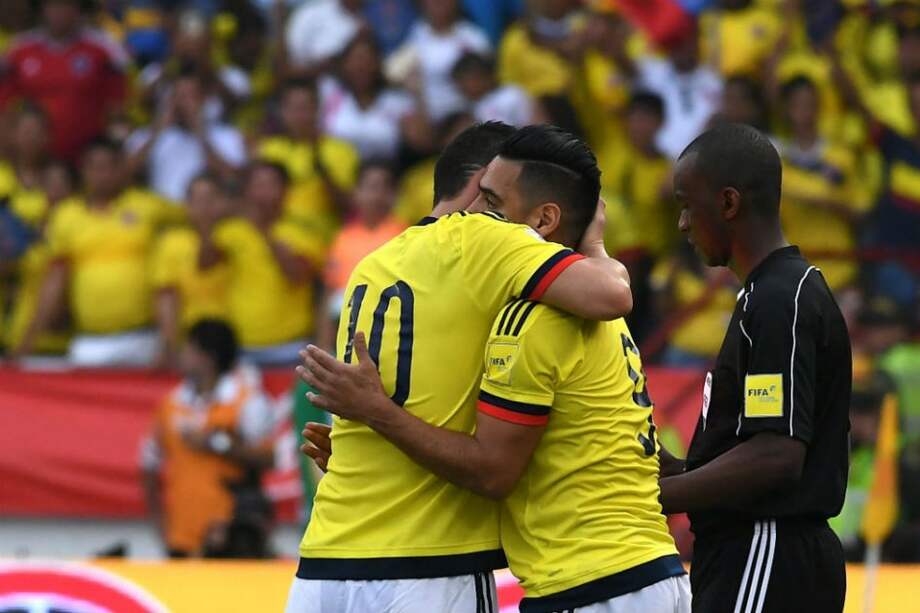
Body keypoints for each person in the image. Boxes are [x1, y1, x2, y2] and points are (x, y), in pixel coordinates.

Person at [298, 128, 690, 611]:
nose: (482, 213)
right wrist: (595, 246)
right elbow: (613, 295)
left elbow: (492, 467)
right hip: (448, 566)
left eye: (493, 201)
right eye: (484, 197)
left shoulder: (371, 264)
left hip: (327, 558)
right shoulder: (518, 275)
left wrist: (372, 435)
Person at [660, 123, 850, 613]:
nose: (682, 223)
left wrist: (657, 494)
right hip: (759, 551)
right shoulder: (769, 293)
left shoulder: (777, 298)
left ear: (728, 203)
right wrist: (655, 463)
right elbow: (747, 451)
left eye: (686, 203)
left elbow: (776, 457)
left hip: (767, 548)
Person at [13, 139, 179, 366]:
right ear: (84, 171)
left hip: (143, 339)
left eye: (109, 166)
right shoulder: (66, 216)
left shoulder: (148, 206)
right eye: (95, 167)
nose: (102, 174)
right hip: (89, 342)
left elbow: (201, 217)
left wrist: (169, 343)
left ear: (121, 169)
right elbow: (55, 281)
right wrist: (27, 342)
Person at [141, 319, 274, 558]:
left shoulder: (246, 401)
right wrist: (161, 526)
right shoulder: (171, 404)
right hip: (180, 538)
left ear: (208, 357)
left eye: (189, 349)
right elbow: (148, 466)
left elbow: (268, 458)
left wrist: (217, 443)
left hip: (231, 538)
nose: (182, 355)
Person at [199, 161, 325, 366]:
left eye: (270, 185)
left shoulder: (303, 230)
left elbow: (297, 276)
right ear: (247, 192)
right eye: (257, 185)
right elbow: (204, 264)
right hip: (242, 348)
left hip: (291, 348)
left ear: (286, 191)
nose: (263, 192)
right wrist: (213, 218)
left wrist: (263, 229)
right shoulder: (234, 229)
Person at [0, 0, 128, 161]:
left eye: (66, 4)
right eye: (53, 4)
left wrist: (113, 151)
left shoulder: (105, 50)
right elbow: (4, 109)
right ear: (42, 8)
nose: (59, 11)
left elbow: (117, 109)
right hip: (33, 161)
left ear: (79, 8)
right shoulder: (18, 51)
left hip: (86, 160)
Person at [316, 160, 406, 352]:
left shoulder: (404, 234)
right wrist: (324, 344)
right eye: (371, 187)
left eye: (385, 187)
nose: (378, 195)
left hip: (387, 334)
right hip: (343, 332)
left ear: (394, 195)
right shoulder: (342, 238)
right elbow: (329, 293)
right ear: (356, 192)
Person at [257, 78, 359, 243]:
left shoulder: (340, 151)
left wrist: (323, 171)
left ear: (318, 110)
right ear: (283, 112)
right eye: (293, 108)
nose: (299, 115)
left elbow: (350, 206)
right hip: (275, 232)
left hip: (320, 236)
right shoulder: (270, 150)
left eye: (305, 108)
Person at [126, 68, 247, 203]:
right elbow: (126, 173)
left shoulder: (227, 136)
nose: (183, 104)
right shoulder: (148, 135)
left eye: (190, 97)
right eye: (177, 96)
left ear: (204, 100)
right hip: (161, 214)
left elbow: (232, 178)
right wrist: (158, 131)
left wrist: (200, 133)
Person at [151, 173, 231, 366]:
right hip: (193, 342)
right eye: (197, 200)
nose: (205, 206)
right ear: (186, 205)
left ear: (224, 202)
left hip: (238, 340)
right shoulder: (170, 243)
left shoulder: (236, 235)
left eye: (211, 198)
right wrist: (169, 344)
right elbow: (167, 297)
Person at [392, 0, 490, 122]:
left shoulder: (473, 38)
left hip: (467, 116)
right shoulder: (416, 35)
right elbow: (392, 73)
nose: (439, 2)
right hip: (428, 119)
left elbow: (487, 85)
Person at [637, 24, 723, 160]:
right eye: (675, 42)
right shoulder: (653, 72)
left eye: (686, 41)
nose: (680, 48)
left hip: (700, 162)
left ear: (697, 42)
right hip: (655, 161)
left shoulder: (714, 82)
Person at [451, 52, 535, 127]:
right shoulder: (472, 105)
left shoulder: (513, 95)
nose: (462, 88)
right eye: (459, 84)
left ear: (484, 77)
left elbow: (529, 124)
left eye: (465, 82)